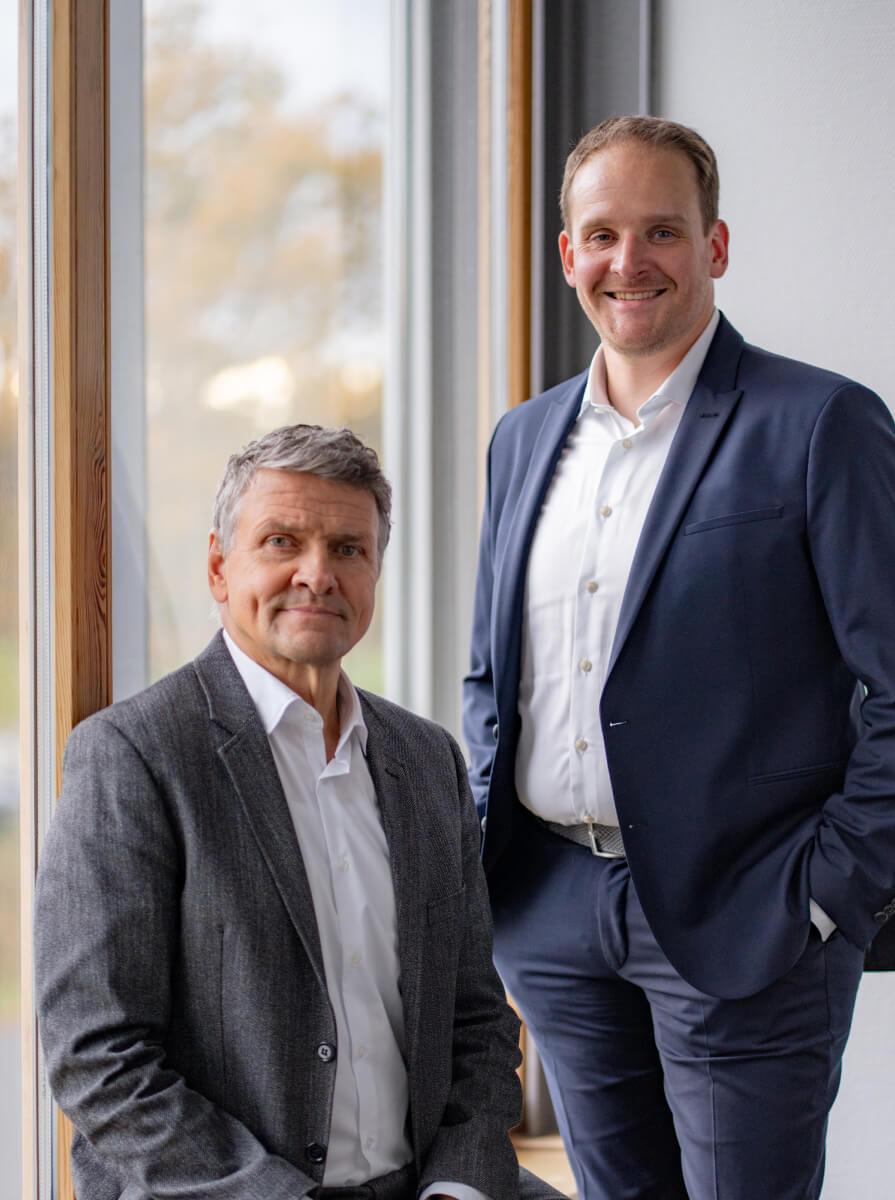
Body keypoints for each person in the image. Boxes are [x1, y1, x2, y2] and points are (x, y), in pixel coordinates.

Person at [463, 116, 895, 1200]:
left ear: (715, 246)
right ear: (567, 256)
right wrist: (491, 862)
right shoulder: (522, 439)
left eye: (661, 231)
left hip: (750, 918)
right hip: (550, 913)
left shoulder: (818, 423)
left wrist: (827, 899)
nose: (628, 262)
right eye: (601, 235)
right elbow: (493, 678)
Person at [35, 425, 564, 1200]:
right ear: (220, 567)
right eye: (282, 542)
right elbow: (97, 1058)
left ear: (376, 571)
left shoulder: (427, 761)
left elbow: (478, 1023)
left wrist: (458, 1187)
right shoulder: (134, 755)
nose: (316, 574)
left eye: (348, 549)